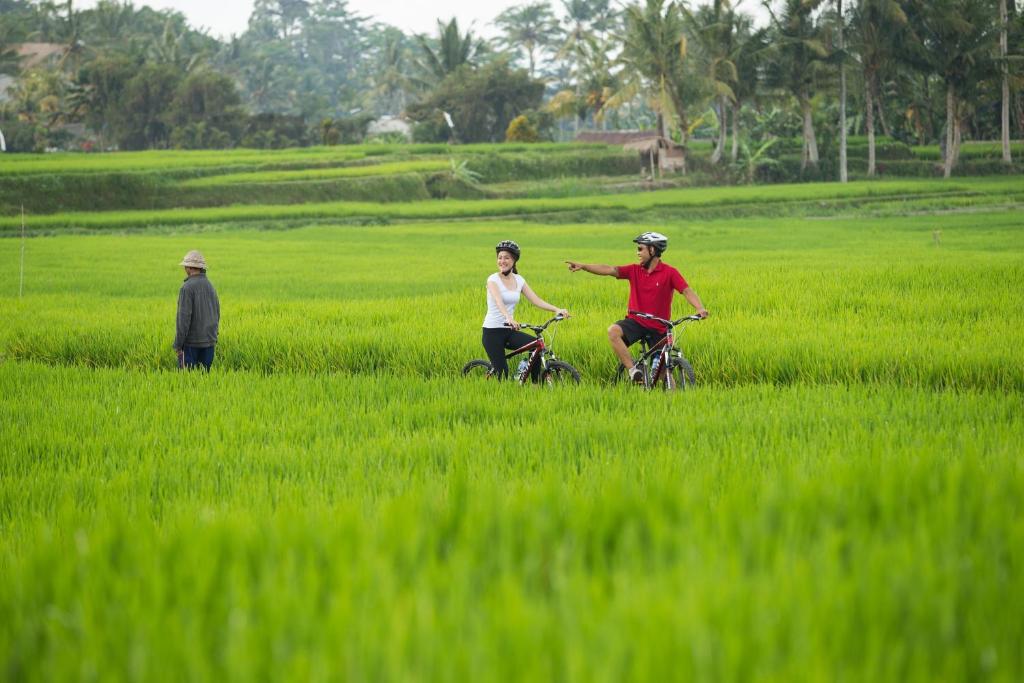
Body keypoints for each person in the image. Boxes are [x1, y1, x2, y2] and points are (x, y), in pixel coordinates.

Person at [565, 232, 708, 382]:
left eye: (640, 249)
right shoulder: (634, 270)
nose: (637, 253)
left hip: (659, 327)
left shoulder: (670, 272)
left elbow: (686, 291)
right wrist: (584, 266)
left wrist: (699, 308)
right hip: (636, 322)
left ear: (652, 250)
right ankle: (633, 371)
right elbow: (609, 269)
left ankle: (672, 396)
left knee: (663, 373)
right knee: (613, 331)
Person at [482, 240, 570, 380]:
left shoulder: (519, 280)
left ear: (514, 260)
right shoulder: (493, 280)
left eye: (506, 258)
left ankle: (535, 386)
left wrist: (556, 309)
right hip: (492, 332)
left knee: (535, 347)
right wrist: (509, 318)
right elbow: (499, 302)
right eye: (500, 257)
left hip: (509, 331)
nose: (502, 261)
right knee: (503, 373)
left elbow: (536, 300)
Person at [174, 250, 220, 371]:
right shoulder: (211, 286)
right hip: (209, 342)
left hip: (191, 344)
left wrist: (178, 345)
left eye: (185, 266)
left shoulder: (187, 288)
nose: (184, 268)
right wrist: (214, 336)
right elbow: (217, 313)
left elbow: (183, 319)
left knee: (188, 379)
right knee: (204, 378)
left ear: (189, 267)